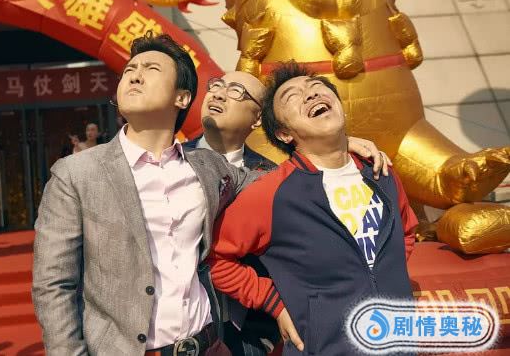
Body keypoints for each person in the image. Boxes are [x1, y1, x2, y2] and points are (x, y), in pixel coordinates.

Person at [33, 32, 264, 356]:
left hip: (209, 345)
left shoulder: (208, 166)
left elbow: (270, 184)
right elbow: (53, 284)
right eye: (130, 70)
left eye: (151, 68)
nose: (135, 75)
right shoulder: (76, 173)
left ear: (182, 98)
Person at [208, 62, 418, 356]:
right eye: (292, 96)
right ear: (284, 134)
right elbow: (216, 258)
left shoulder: (381, 173)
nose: (310, 94)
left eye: (317, 86)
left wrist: (384, 276)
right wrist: (273, 304)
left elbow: (406, 231)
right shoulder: (270, 194)